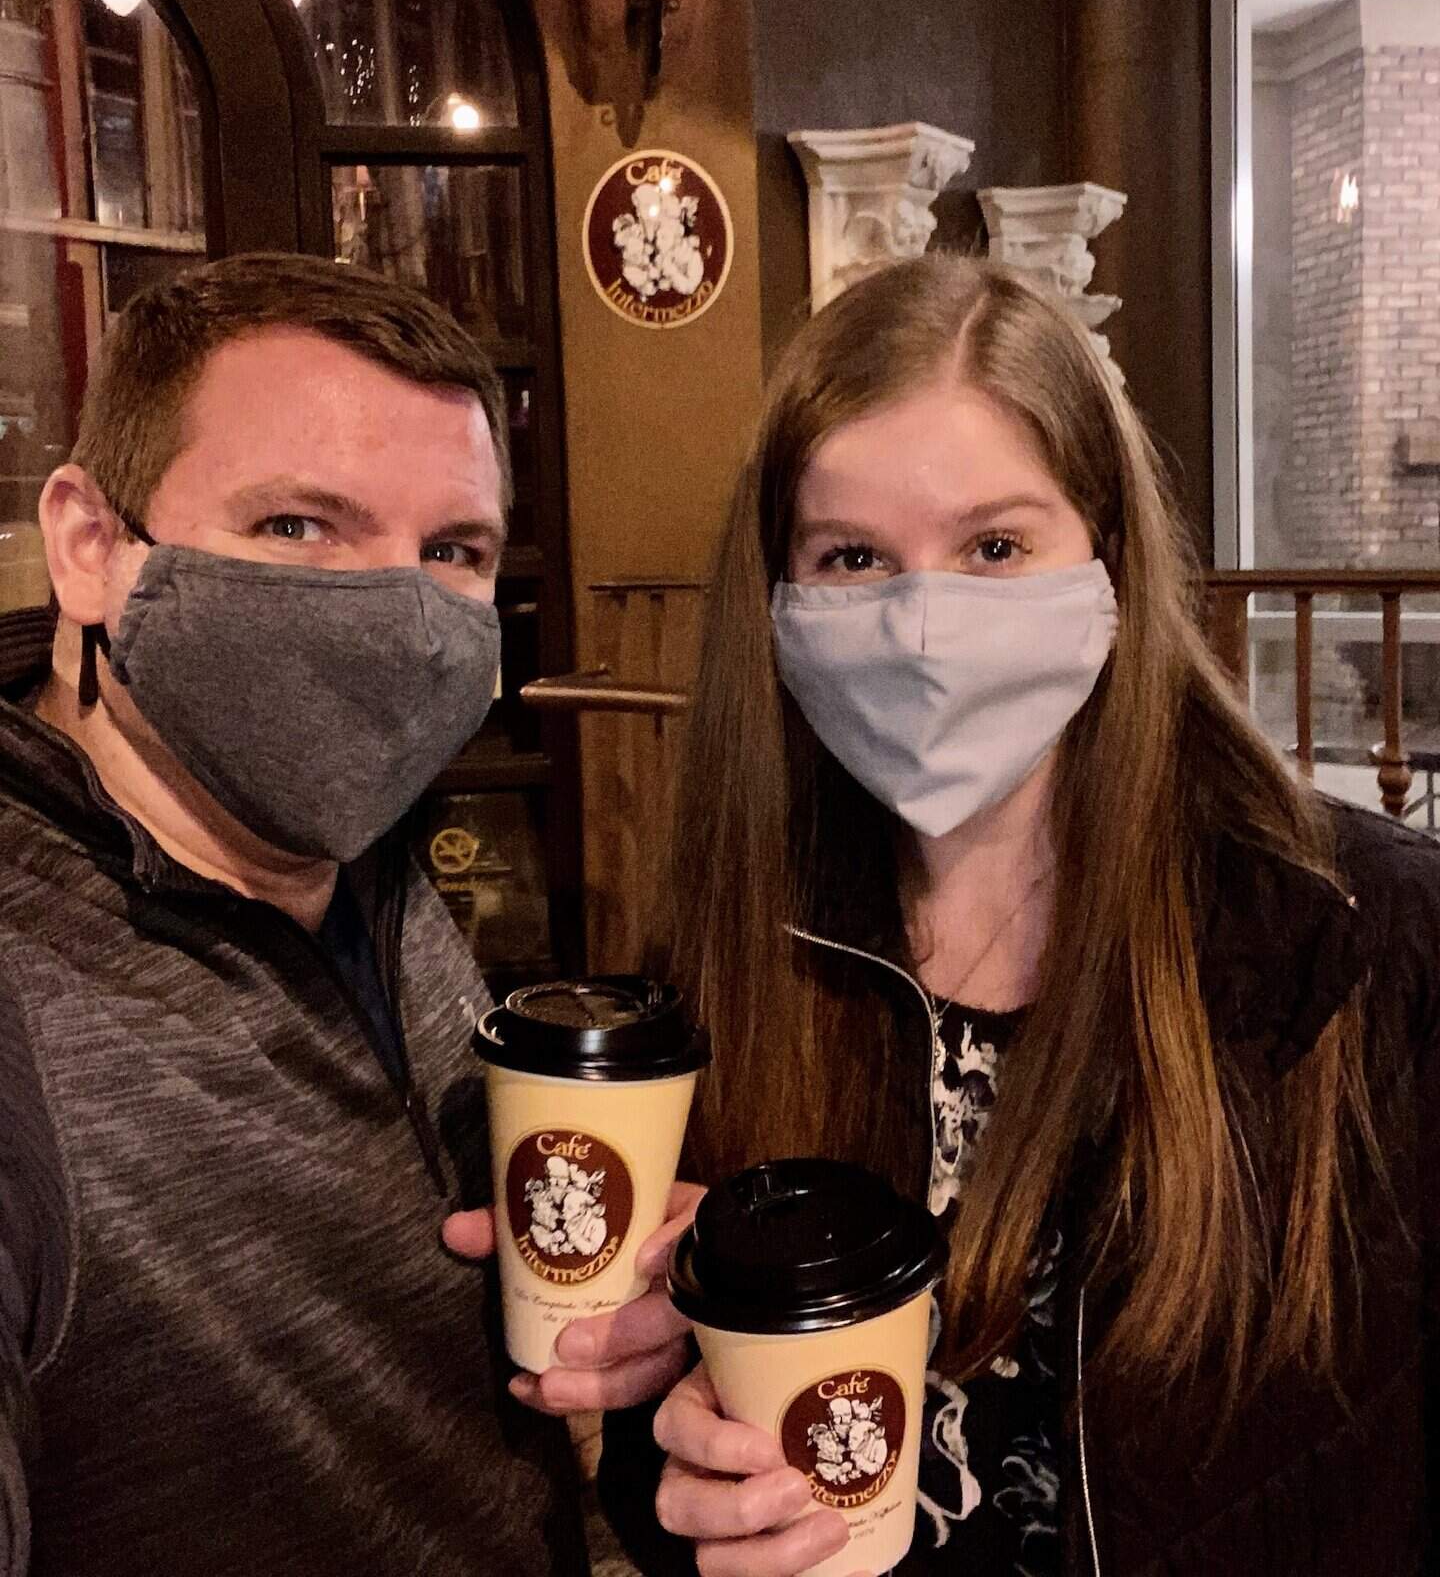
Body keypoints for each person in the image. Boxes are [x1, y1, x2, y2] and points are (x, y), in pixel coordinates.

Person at [604, 257, 1440, 1575]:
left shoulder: (1361, 947)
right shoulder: (730, 958)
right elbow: (673, 1464)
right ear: (776, 597)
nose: (926, 620)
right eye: (854, 557)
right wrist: (681, 1463)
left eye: (996, 547)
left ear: (1105, 560)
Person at [0, 253, 689, 1576]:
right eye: (299, 529)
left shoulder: (351, 852)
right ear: (92, 547)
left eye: (452, 551)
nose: (393, 613)